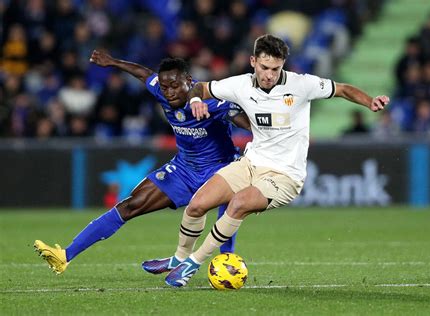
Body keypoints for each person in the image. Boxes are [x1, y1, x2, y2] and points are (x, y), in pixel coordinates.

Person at [162, 34, 390, 287]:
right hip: (251, 163)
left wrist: (370, 101)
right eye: (264, 67)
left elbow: (343, 89)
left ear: (283, 65)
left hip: (285, 175)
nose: (269, 74)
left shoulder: (302, 85)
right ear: (253, 62)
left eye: (275, 68)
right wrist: (194, 100)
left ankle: (192, 264)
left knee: (238, 204)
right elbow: (200, 87)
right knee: (197, 205)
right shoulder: (240, 85)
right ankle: (178, 258)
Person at [33, 50, 251, 275]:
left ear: (189, 81)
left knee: (230, 204)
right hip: (184, 169)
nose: (169, 93)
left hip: (219, 167)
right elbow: (143, 73)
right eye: (165, 88)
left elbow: (244, 121)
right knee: (130, 205)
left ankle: (226, 260)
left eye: (175, 86)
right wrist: (112, 62)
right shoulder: (161, 90)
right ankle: (64, 256)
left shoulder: (212, 101)